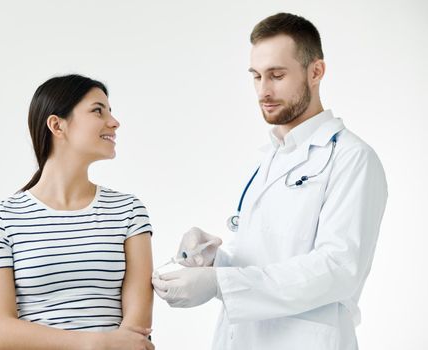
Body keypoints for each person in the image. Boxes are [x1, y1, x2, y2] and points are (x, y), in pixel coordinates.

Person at [152, 12, 388, 350]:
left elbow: (338, 269)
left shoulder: (352, 158)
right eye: (256, 76)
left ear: (316, 72)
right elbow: (267, 258)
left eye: (277, 75)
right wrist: (216, 261)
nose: (264, 90)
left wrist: (220, 283)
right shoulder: (273, 156)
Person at [0, 74, 155, 350]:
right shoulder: (1, 219)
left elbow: (135, 333)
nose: (114, 121)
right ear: (57, 125)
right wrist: (99, 344)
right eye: (98, 110)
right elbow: (0, 333)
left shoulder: (129, 211)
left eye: (110, 111)